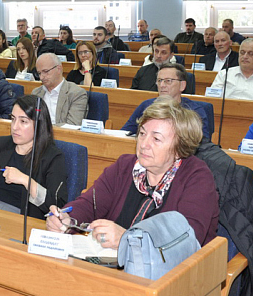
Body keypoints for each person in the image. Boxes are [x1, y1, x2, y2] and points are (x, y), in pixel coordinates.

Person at [47, 97, 219, 247]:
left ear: (179, 148)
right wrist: (68, 219)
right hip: (114, 265)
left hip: (169, 277)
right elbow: (89, 204)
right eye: (142, 134)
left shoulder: (197, 178)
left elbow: (185, 240)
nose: (144, 144)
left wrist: (127, 239)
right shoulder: (125, 166)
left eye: (156, 139)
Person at [0, 95, 67, 218]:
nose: (14, 127)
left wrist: (26, 181)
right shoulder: (0, 144)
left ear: (39, 125)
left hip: (21, 220)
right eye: (13, 119)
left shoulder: (53, 157)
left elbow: (57, 205)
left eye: (23, 121)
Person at [122, 63, 211, 142]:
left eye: (168, 81)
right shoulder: (146, 105)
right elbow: (125, 132)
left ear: (182, 85)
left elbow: (201, 143)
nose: (162, 85)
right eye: (159, 80)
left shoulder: (194, 111)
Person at [31, 53, 88, 126]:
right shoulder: (36, 93)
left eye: (46, 71)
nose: (42, 77)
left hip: (62, 136)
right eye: (39, 73)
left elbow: (72, 125)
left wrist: (43, 128)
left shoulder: (76, 93)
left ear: (59, 69)